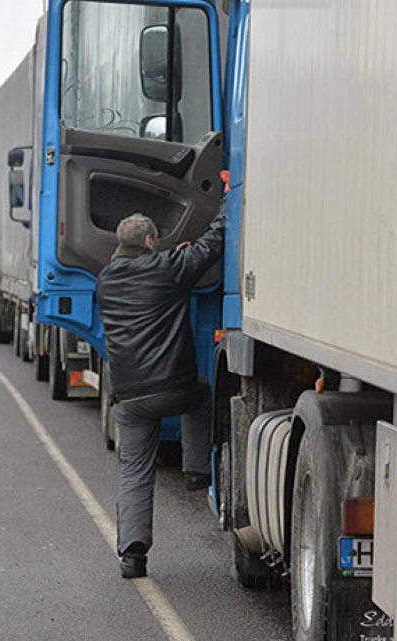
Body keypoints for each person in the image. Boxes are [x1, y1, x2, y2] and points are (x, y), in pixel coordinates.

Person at [97, 202, 225, 579]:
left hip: (130, 397)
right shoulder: (168, 267)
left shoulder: (106, 278)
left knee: (135, 472)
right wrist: (227, 197)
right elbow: (212, 243)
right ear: (151, 240)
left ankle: (132, 556)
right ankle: (197, 472)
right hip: (174, 386)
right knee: (202, 392)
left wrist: (172, 258)